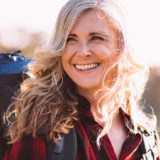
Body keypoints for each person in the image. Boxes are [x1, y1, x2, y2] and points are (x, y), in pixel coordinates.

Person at [3, 0, 160, 159]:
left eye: (96, 38)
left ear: (122, 46)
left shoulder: (146, 138)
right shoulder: (41, 127)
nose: (83, 52)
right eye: (71, 39)